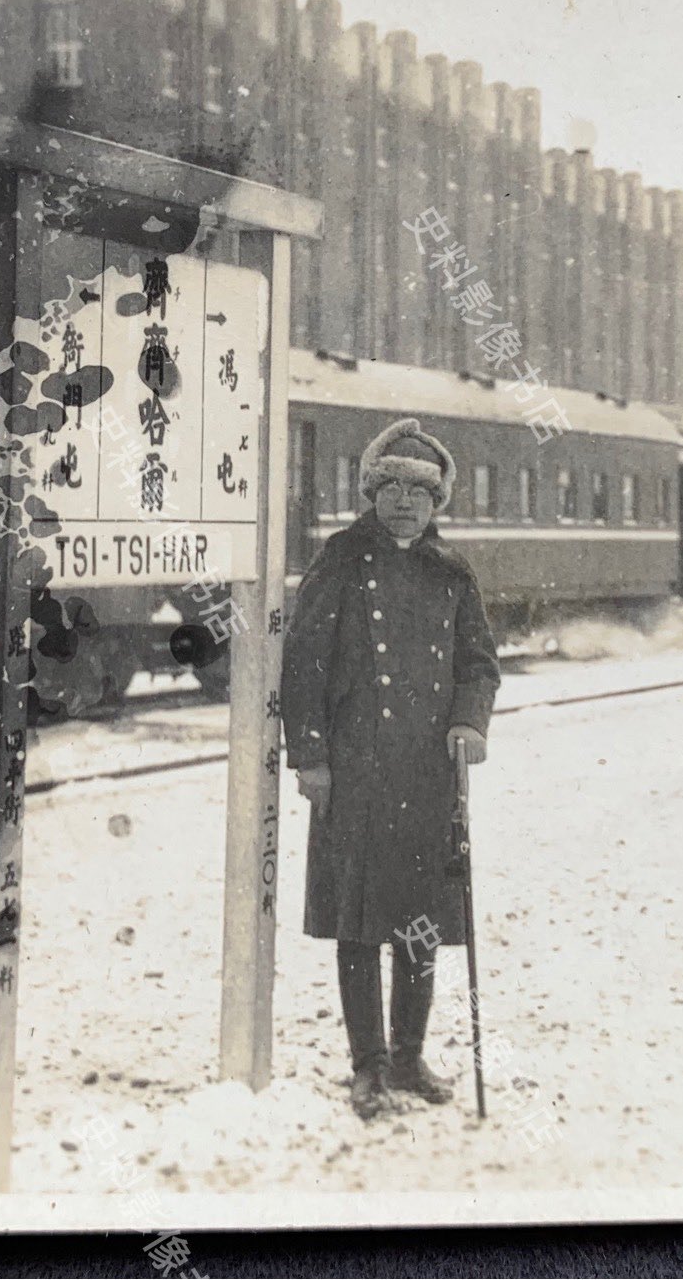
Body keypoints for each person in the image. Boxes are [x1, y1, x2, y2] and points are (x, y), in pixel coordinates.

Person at [282, 417, 501, 1120]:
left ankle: (408, 1059)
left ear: (438, 504)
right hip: (354, 771)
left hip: (427, 775)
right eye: (391, 488)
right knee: (359, 922)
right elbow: (304, 665)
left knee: (419, 923)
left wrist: (470, 719)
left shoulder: (451, 572)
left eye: (419, 491)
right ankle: (367, 1066)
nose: (404, 502)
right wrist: (311, 758)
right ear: (372, 494)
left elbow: (479, 664)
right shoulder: (341, 560)